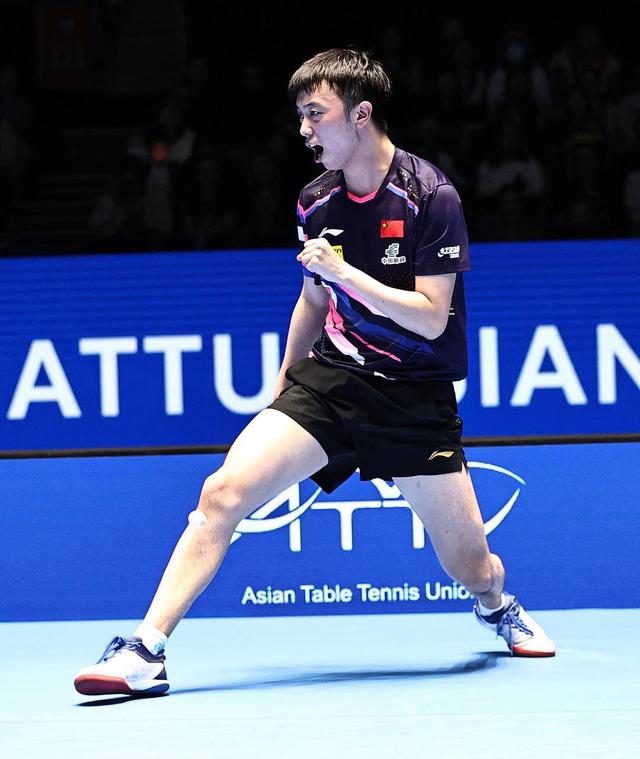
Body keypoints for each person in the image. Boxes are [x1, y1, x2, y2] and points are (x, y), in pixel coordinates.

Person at [74, 48, 555, 697]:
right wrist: (282, 390)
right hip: (331, 380)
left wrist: (345, 272)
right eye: (300, 115)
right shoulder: (316, 201)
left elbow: (430, 318)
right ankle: (145, 649)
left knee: (471, 565)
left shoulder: (430, 196)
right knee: (221, 494)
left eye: (314, 114)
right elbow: (312, 299)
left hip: (414, 397)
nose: (303, 130)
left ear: (360, 114)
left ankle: (496, 605)